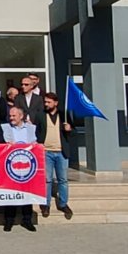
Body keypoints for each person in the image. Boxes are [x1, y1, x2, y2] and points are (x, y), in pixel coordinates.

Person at [0, 106, 38, 232]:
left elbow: (36, 144)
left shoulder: (31, 128)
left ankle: (27, 220)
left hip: (27, 166)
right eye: (10, 116)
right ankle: (9, 220)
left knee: (27, 194)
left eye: (14, 116)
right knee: (10, 194)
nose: (11, 118)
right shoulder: (5, 128)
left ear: (21, 116)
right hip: (10, 166)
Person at [38, 92, 74, 220]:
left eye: (49, 102)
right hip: (46, 152)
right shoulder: (41, 115)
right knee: (47, 180)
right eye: (45, 102)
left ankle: (63, 204)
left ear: (56, 103)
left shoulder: (64, 115)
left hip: (61, 152)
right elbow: (36, 131)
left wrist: (69, 129)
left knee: (62, 179)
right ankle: (46, 204)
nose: (46, 104)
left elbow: (72, 132)